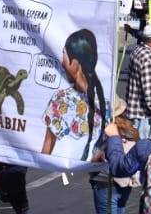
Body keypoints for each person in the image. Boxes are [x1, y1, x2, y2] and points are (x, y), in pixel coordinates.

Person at [91, 97, 139, 214]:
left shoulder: (108, 132)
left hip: (106, 181)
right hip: (124, 182)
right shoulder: (130, 129)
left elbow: (98, 156)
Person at [41, 29, 110, 161]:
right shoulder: (61, 99)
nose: (62, 63)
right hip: (85, 175)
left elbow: (47, 145)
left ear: (75, 62)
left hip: (85, 176)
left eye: (64, 56)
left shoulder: (62, 99)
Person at [126, 23, 151, 141]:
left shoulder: (139, 50)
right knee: (145, 149)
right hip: (144, 115)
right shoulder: (147, 59)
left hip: (137, 112)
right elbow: (150, 92)